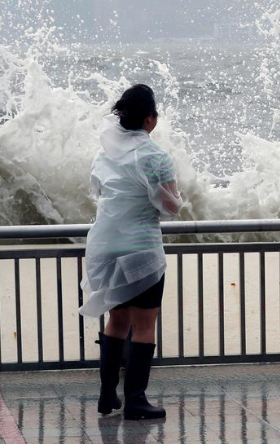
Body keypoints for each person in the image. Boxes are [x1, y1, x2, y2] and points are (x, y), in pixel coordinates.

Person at [79, 84, 183, 420]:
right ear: (150, 119)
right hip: (141, 250)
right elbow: (170, 206)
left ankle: (107, 395)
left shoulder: (104, 154)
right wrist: (178, 198)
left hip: (105, 245)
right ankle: (136, 399)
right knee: (144, 325)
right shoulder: (156, 156)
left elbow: (99, 191)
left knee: (117, 319)